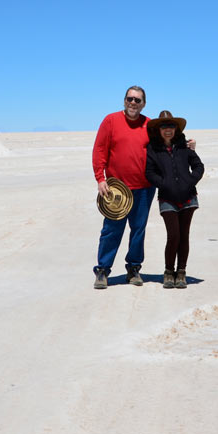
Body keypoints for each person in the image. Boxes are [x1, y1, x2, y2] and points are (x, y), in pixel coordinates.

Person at [92, 86, 156, 289]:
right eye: (130, 99)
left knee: (138, 230)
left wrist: (186, 145)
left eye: (138, 100)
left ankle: (134, 268)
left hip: (144, 188)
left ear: (144, 103)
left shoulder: (149, 125)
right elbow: (100, 149)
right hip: (116, 189)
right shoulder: (111, 120)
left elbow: (166, 144)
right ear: (124, 100)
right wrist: (100, 178)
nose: (133, 103)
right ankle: (103, 270)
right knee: (111, 230)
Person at [144, 111, 204, 289]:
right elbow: (149, 172)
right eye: (164, 126)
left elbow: (198, 166)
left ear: (176, 129)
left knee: (184, 236)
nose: (167, 130)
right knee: (173, 236)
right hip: (167, 198)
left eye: (170, 126)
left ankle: (182, 272)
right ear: (159, 130)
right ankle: (169, 272)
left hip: (188, 198)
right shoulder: (153, 149)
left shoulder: (184, 147)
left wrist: (190, 181)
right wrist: (164, 184)